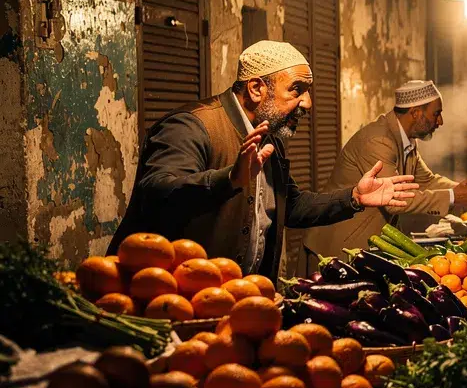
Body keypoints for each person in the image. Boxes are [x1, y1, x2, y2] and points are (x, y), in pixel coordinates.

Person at [110, 41, 418, 279]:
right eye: (297, 90)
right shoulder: (191, 126)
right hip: (170, 300)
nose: (307, 104)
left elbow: (291, 207)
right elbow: (158, 191)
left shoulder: (269, 137)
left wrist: (353, 197)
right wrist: (229, 179)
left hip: (242, 301)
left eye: (308, 92)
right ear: (257, 88)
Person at [302, 80, 467, 271]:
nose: (441, 121)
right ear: (416, 113)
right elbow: (394, 199)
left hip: (365, 248)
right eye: (436, 114)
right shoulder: (379, 141)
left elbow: (427, 180)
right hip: (338, 247)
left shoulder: (406, 140)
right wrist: (454, 197)